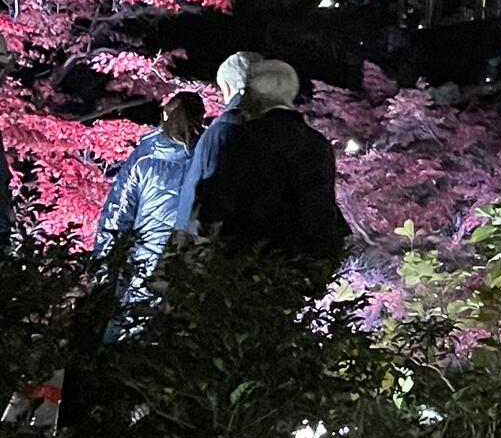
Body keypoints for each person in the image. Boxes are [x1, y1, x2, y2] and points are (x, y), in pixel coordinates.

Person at [191, 58, 348, 275]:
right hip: (303, 262)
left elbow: (218, 203)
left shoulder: (244, 137)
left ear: (255, 93)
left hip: (251, 261)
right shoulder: (317, 142)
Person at [91, 89, 206, 323]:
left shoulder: (145, 156)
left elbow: (118, 213)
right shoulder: (210, 155)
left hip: (146, 259)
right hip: (194, 257)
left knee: (134, 327)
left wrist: (101, 268)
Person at [172, 50, 257, 237]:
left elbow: (198, 205)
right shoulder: (296, 132)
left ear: (226, 88)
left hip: (226, 253)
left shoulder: (222, 132)